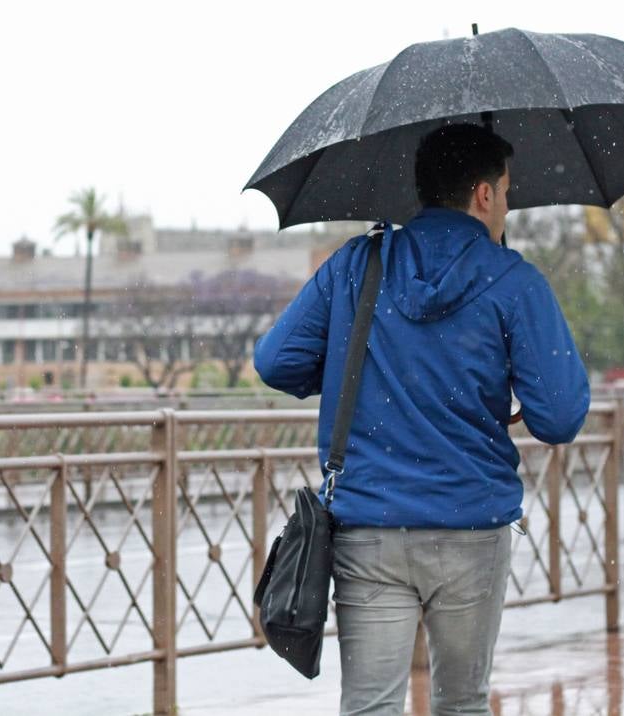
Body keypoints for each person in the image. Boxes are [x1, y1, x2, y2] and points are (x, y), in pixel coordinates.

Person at [253, 123, 590, 715]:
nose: (507, 204)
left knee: (370, 706)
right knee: (462, 703)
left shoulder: (359, 264)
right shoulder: (514, 281)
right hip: (472, 524)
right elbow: (559, 417)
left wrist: (346, 372)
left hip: (371, 528)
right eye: (506, 191)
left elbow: (276, 362)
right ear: (483, 195)